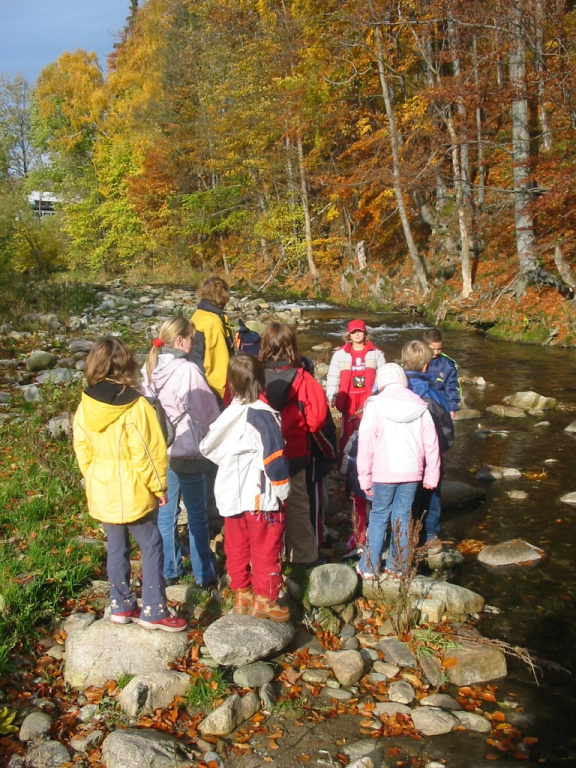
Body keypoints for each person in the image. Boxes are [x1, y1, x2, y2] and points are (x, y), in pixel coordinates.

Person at [72, 336, 187, 632]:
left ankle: (121, 604)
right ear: (127, 365)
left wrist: (94, 476)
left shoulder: (86, 403)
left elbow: (81, 447)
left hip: (102, 485)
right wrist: (159, 486)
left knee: (116, 546)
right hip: (133, 488)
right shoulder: (136, 405)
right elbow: (148, 452)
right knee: (151, 543)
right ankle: (154, 609)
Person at [200, 354, 291, 622]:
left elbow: (208, 447)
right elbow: (274, 458)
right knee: (266, 545)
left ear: (231, 383)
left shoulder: (226, 416)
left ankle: (242, 593)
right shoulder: (263, 416)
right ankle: (266, 598)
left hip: (230, 492)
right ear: (261, 381)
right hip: (259, 495)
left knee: (236, 544)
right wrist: (284, 491)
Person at [142, 318, 221, 587]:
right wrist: (213, 442)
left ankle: (170, 570)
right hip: (187, 450)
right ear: (179, 341)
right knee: (197, 515)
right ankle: (203, 574)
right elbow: (206, 413)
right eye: (191, 338)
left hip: (160, 450)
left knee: (166, 515)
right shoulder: (188, 371)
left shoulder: (149, 367)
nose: (194, 343)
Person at [356, 363, 440, 579]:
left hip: (383, 472)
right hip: (412, 472)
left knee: (378, 516)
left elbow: (365, 444)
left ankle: (369, 567)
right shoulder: (419, 405)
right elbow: (432, 444)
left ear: (381, 383)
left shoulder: (374, 405)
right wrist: (432, 474)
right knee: (402, 516)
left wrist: (364, 477)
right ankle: (398, 566)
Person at [259, 322, 329, 566]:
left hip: (261, 454)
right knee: (297, 505)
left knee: (262, 506)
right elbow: (317, 421)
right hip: (294, 453)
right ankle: (304, 557)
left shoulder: (254, 377)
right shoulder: (305, 380)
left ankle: (267, 558)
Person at [326, 319, 385, 554]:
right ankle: (347, 472)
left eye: (360, 331)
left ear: (365, 333)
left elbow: (383, 376)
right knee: (347, 438)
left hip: (369, 401)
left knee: (371, 437)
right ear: (348, 335)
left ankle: (369, 472)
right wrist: (331, 395)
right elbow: (333, 377)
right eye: (354, 332)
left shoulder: (376, 353)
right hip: (349, 401)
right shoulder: (340, 354)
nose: (357, 335)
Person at [401, 340, 454, 554]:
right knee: (431, 494)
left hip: (400, 457)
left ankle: (402, 536)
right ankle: (429, 534)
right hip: (428, 455)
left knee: (403, 498)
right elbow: (447, 429)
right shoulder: (433, 394)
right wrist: (441, 450)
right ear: (426, 366)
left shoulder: (389, 390)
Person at [190, 276, 235, 402]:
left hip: (198, 380)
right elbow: (219, 362)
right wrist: (226, 395)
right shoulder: (213, 322)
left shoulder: (198, 314)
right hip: (213, 389)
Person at [423, 327, 461, 417]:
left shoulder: (448, 364)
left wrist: (452, 408)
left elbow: (451, 387)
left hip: (440, 405)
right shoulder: (417, 359)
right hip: (421, 403)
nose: (436, 352)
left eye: (439, 349)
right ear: (424, 346)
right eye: (432, 349)